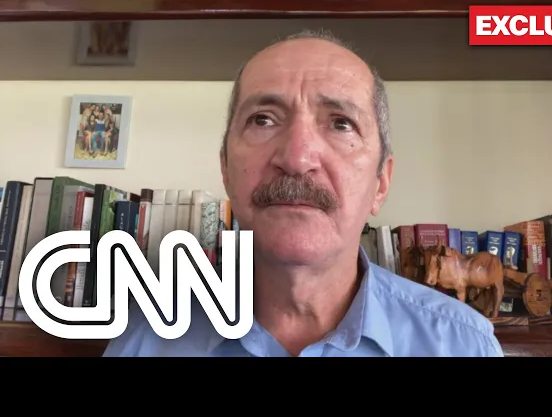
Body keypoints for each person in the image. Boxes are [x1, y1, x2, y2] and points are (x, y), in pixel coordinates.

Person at [103, 29, 504, 357]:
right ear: (225, 169)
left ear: (380, 183)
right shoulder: (143, 343)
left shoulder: (464, 346)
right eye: (263, 119)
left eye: (341, 124)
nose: (296, 158)